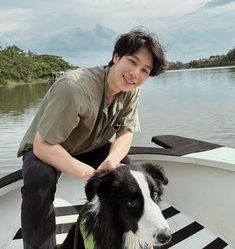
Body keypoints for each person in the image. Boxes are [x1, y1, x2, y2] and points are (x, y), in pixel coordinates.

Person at [17, 27, 166, 248]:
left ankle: (124, 238)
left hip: (91, 146)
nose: (136, 74)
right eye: (132, 62)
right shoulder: (73, 88)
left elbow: (126, 132)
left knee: (129, 176)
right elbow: (43, 146)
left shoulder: (131, 89)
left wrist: (113, 160)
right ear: (116, 57)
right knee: (38, 183)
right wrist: (92, 175)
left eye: (145, 70)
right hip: (49, 147)